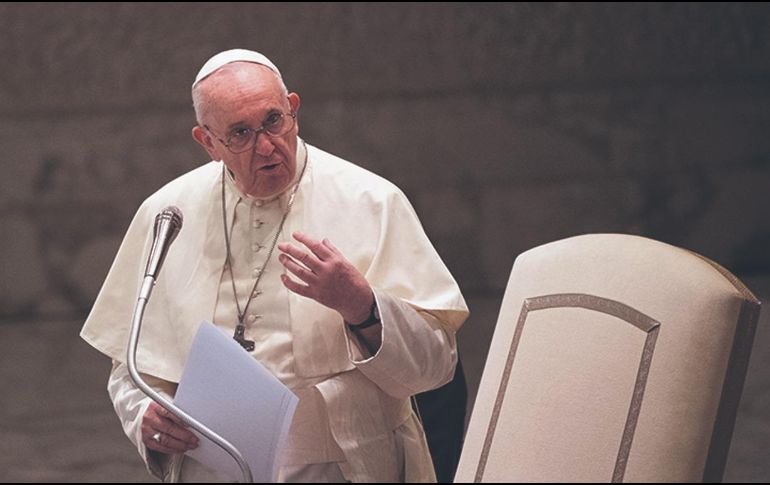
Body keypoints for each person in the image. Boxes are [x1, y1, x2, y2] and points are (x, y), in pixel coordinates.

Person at [81, 49, 469, 483]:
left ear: (294, 112)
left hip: (338, 467)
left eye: (273, 121)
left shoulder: (372, 201)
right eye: (241, 133)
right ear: (207, 142)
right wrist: (145, 418)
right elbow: (133, 366)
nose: (266, 146)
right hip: (211, 468)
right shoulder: (168, 212)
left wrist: (362, 306)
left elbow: (436, 368)